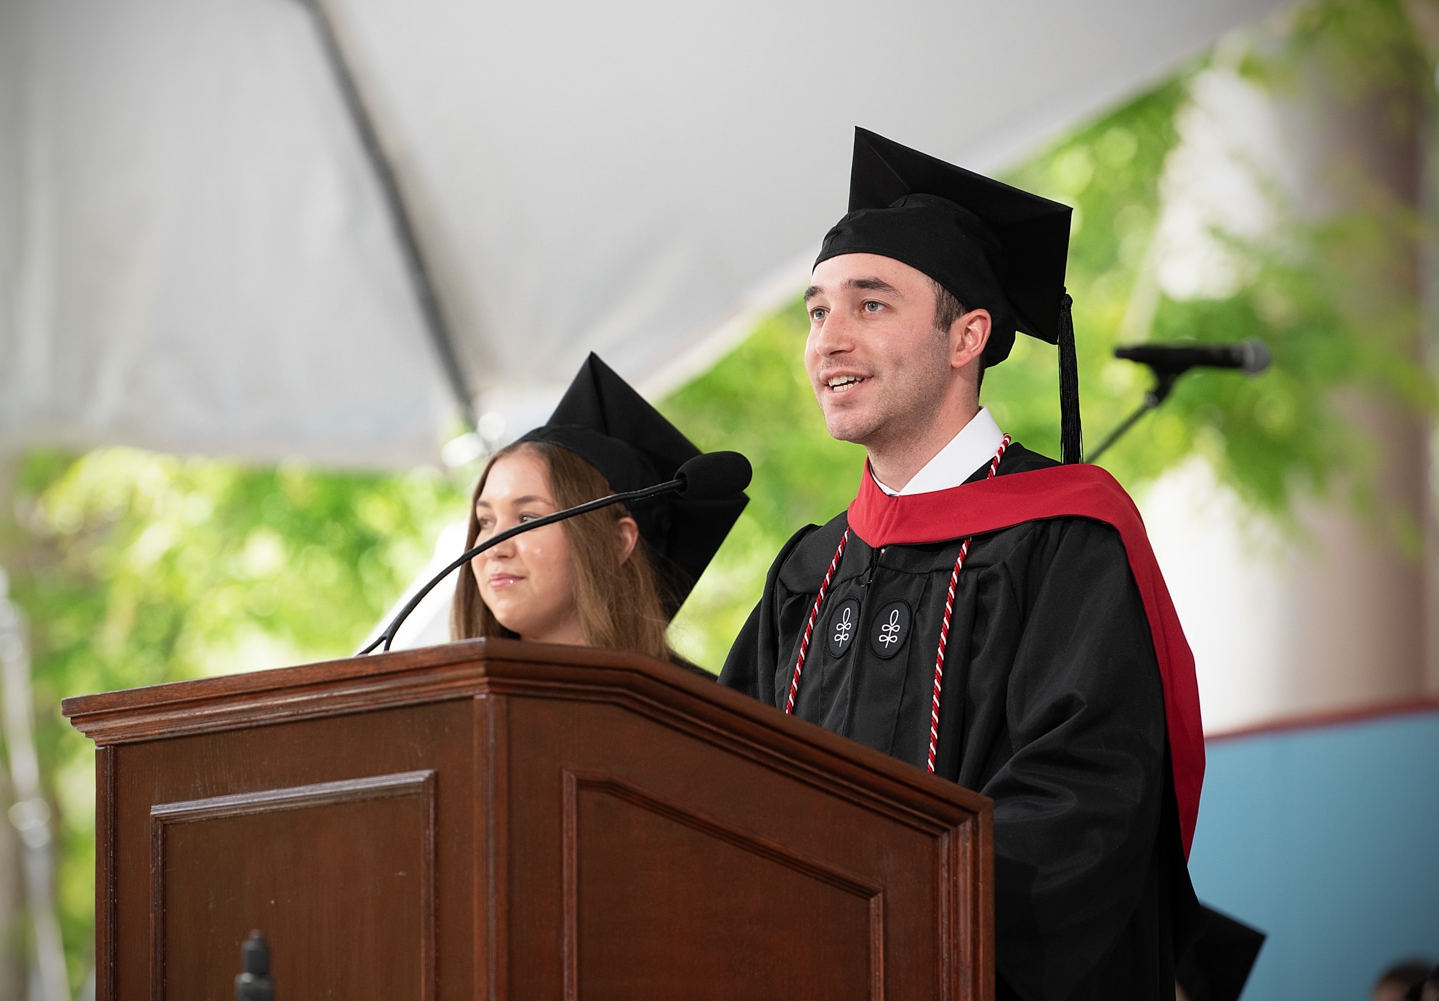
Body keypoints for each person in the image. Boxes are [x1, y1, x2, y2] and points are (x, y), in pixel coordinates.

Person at [719, 127, 1205, 1000]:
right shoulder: (809, 571)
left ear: (967, 336)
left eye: (871, 305)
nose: (828, 339)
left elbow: (1085, 803)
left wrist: (877, 911)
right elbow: (720, 781)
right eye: (818, 311)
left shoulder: (1064, 539)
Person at [452, 353, 747, 667]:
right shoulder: (454, 694)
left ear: (617, 541)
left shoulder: (693, 698)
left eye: (527, 518)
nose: (493, 549)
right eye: (486, 521)